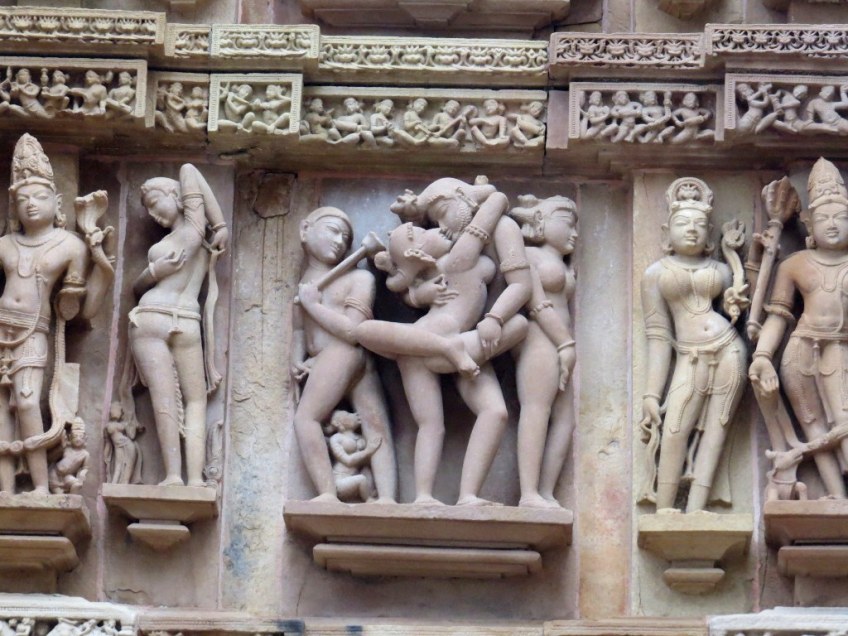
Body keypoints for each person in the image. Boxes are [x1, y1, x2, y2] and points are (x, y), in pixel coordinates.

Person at [0, 134, 113, 494]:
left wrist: (101, 262)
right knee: (2, 409)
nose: (31, 205)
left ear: (57, 202)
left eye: (40, 196)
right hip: (2, 326)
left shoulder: (70, 246)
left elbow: (78, 309)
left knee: (26, 401)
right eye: (23, 199)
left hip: (33, 330)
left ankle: (39, 488)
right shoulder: (5, 244)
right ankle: (6, 491)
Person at [639, 177, 748, 512]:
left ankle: (697, 509)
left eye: (699, 225)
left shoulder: (720, 269)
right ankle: (664, 509)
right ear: (665, 233)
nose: (691, 230)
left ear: (709, 234)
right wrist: (651, 395)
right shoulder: (655, 274)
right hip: (689, 354)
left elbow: (734, 307)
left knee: (717, 429)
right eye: (683, 223)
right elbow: (659, 336)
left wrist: (733, 270)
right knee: (674, 428)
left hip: (729, 350)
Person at [750, 158, 848, 498]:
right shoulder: (794, 265)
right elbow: (778, 316)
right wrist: (763, 356)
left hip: (842, 349)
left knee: (843, 420)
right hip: (801, 352)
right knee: (812, 423)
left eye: (841, 217)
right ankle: (835, 496)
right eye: (823, 218)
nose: (832, 225)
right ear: (808, 224)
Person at [129, 164, 227, 487]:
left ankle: (186, 478)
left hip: (175, 320)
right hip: (161, 316)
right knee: (172, 399)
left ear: (175, 194)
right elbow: (137, 288)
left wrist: (220, 224)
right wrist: (154, 271)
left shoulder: (193, 232)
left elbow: (188, 170)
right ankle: (181, 477)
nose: (153, 214)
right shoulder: (186, 237)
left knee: (193, 400)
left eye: (155, 203)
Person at [292, 207, 396, 503]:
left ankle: (327, 493)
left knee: (307, 419)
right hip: (330, 358)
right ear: (305, 230)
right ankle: (386, 499)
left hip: (342, 351)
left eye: (346, 238)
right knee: (374, 423)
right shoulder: (307, 281)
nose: (340, 241)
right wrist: (295, 358)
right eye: (333, 231)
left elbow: (353, 331)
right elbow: (298, 327)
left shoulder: (359, 278)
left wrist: (314, 306)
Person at [508, 195, 578, 508]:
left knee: (565, 420)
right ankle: (529, 493)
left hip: (562, 342)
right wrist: (565, 343)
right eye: (567, 223)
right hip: (541, 339)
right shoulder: (529, 255)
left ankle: (546, 491)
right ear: (541, 222)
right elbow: (536, 304)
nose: (574, 233)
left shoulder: (561, 262)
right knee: (536, 409)